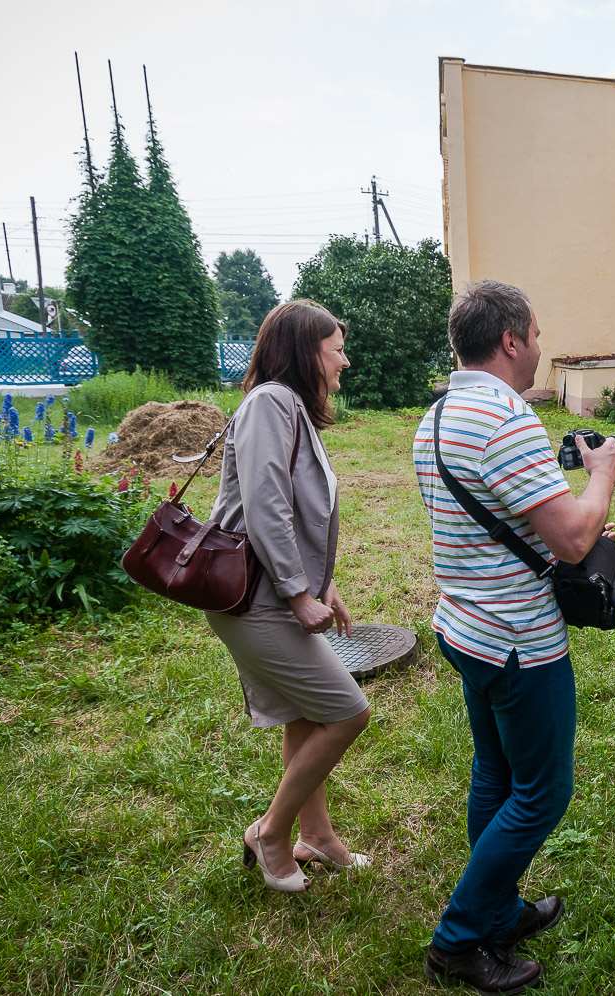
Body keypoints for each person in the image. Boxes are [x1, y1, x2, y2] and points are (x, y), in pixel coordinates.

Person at [414, 280, 615, 994]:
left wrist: (563, 516)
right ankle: (459, 939)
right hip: (516, 640)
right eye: (535, 334)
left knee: (495, 774)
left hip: (464, 625)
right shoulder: (507, 419)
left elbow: (485, 520)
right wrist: (602, 478)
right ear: (510, 340)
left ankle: (499, 909)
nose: (539, 346)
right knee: (542, 792)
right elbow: (572, 539)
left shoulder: (437, 415)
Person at [205, 299, 371, 893]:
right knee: (348, 712)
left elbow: (295, 514)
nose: (345, 362)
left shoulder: (290, 407)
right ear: (305, 352)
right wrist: (300, 594)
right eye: (336, 350)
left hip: (272, 592)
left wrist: (324, 585)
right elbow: (266, 506)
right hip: (255, 599)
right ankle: (271, 833)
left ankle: (317, 835)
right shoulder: (270, 403)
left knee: (306, 714)